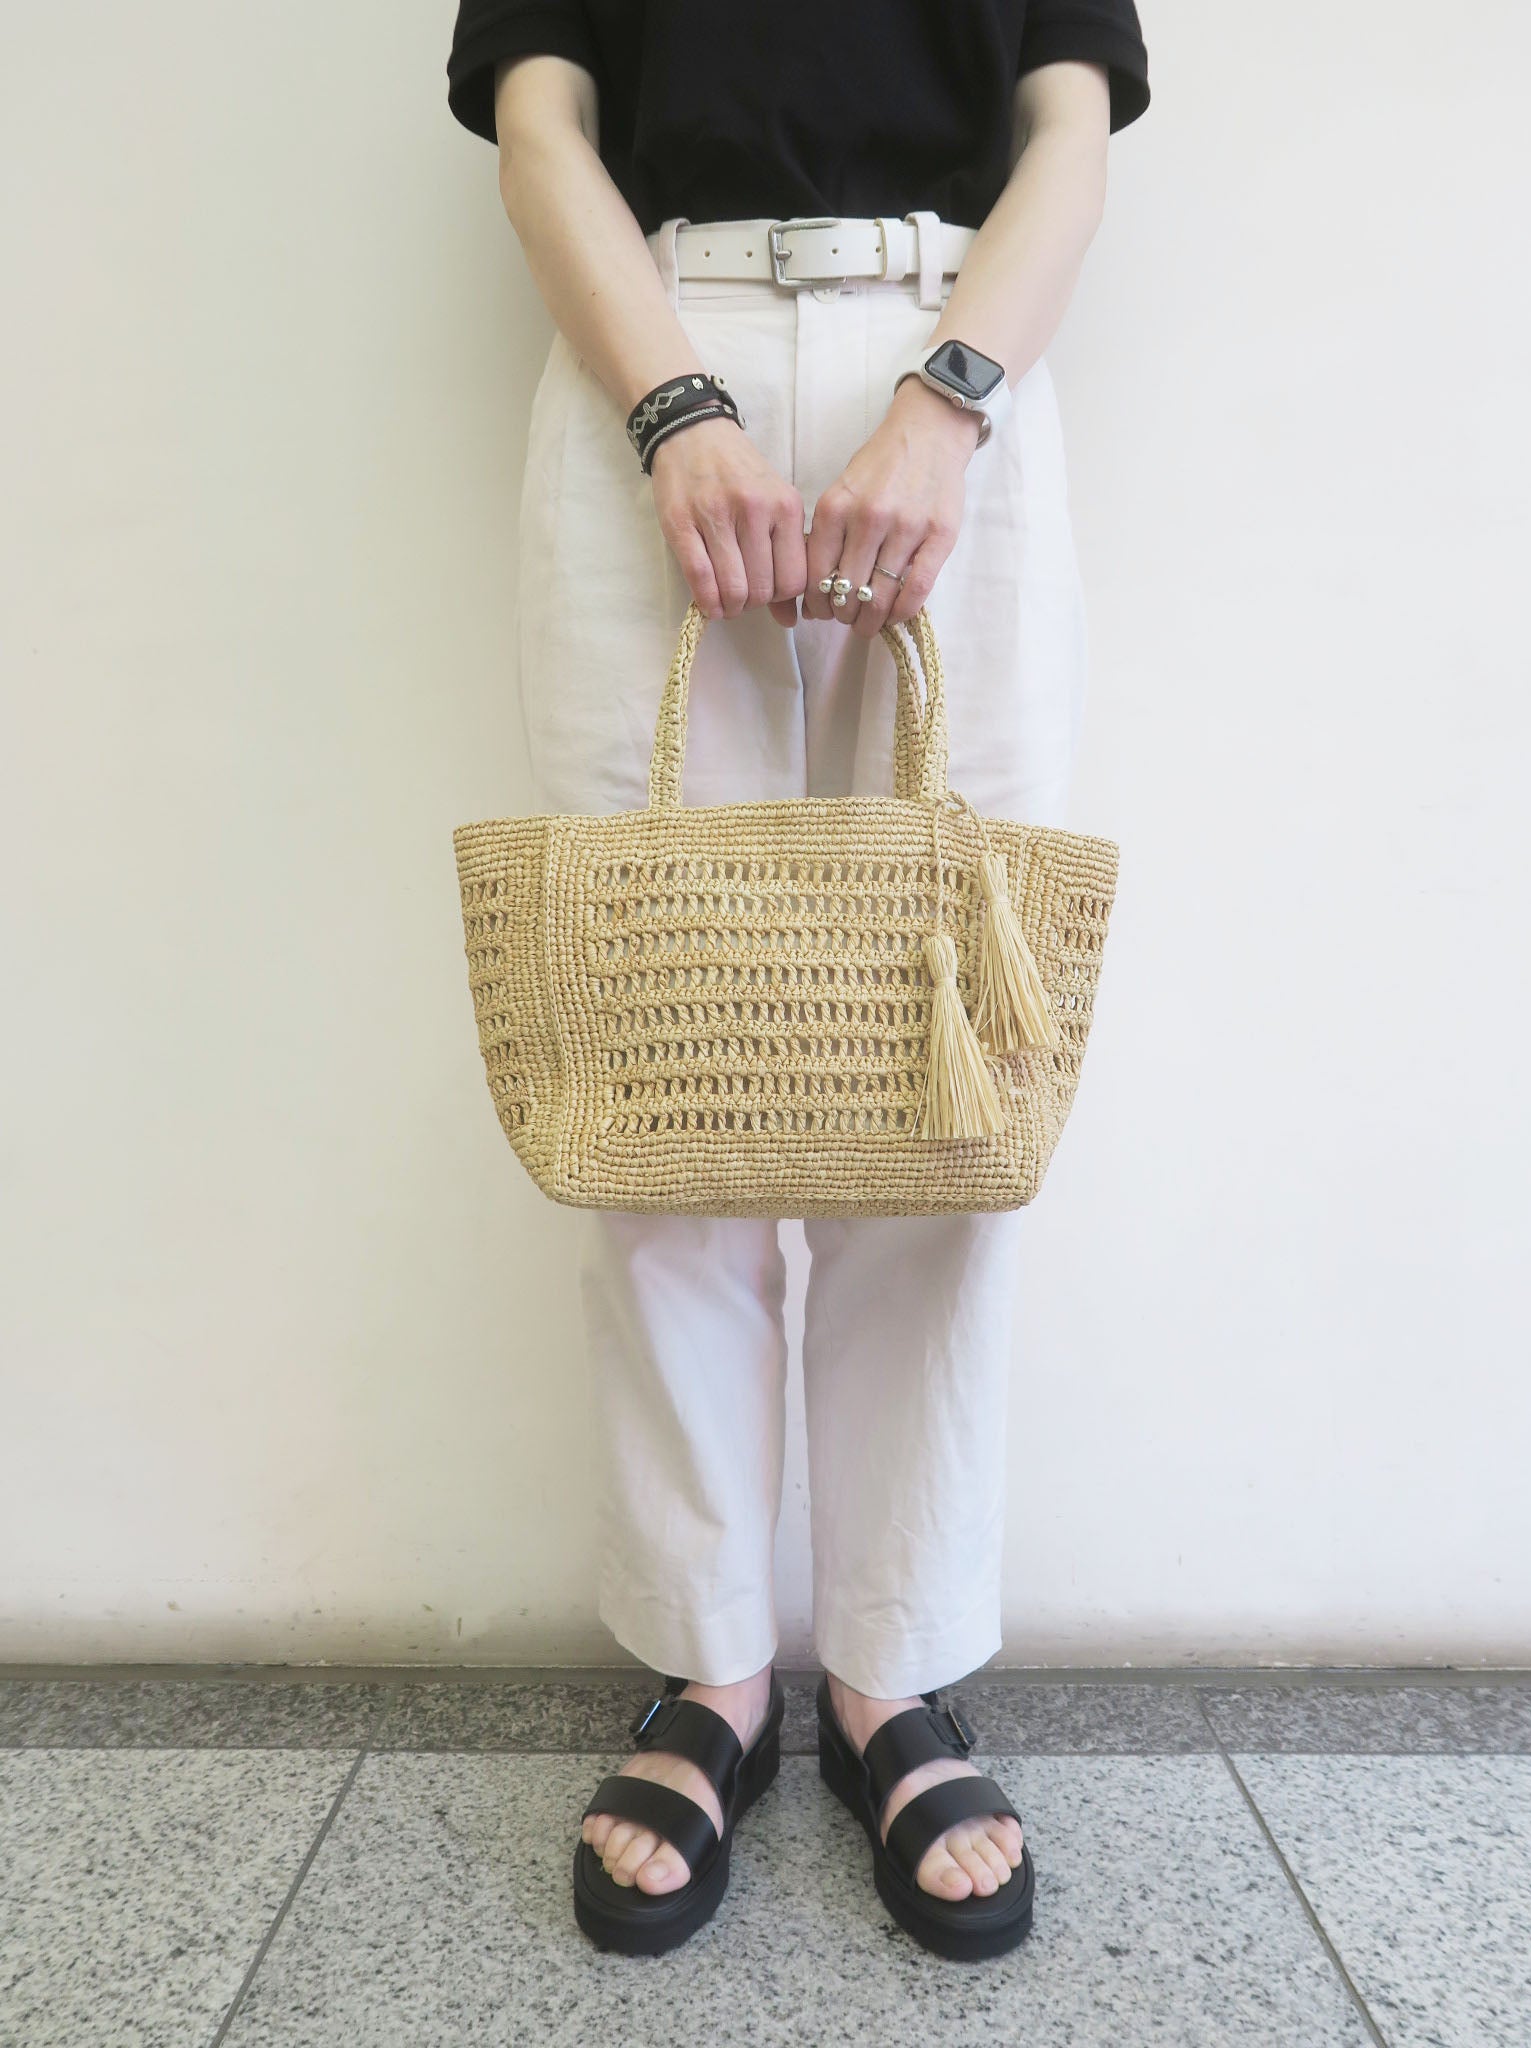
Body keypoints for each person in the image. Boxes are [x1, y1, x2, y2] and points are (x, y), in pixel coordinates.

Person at [445, 0, 1149, 1962]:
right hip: (647, 352)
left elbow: (1071, 122)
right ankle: (711, 1667)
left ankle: (892, 1666)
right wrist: (675, 404)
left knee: (941, 1078)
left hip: (959, 355)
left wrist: (951, 396)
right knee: (659, 1068)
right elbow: (540, 117)